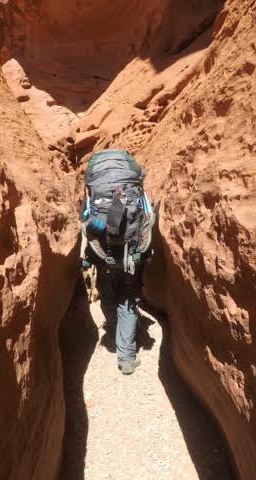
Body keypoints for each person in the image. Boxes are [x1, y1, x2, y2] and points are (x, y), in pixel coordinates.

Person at [80, 149, 155, 375]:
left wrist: (89, 254)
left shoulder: (94, 191)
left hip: (104, 253)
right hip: (132, 253)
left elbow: (85, 219)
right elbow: (148, 216)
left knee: (107, 290)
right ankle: (126, 358)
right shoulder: (135, 189)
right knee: (129, 298)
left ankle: (113, 329)